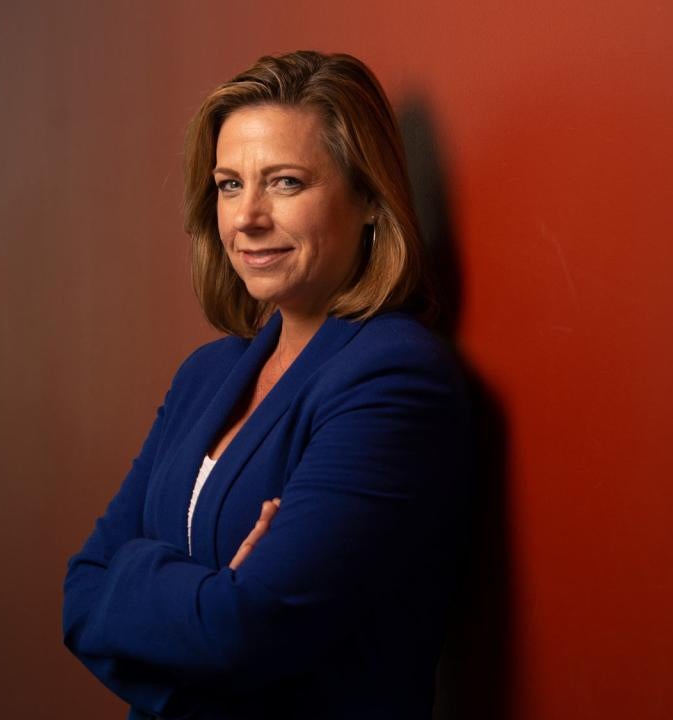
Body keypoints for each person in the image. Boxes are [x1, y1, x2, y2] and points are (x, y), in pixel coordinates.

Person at [62, 50, 469, 719]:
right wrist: (213, 599)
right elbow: (80, 593)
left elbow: (244, 633)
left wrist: (135, 580)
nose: (247, 217)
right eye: (229, 185)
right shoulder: (205, 375)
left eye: (284, 182)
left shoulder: (394, 378)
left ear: (370, 199)